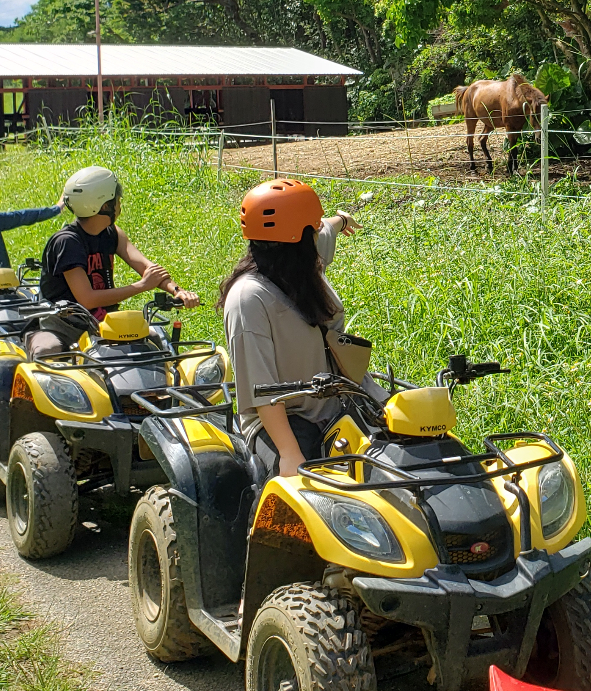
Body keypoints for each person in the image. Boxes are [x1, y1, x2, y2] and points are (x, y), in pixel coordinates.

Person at [218, 178, 360, 478]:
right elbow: (261, 391)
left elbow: (328, 228)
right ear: (297, 237)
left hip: (336, 406)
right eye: (313, 226)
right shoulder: (249, 300)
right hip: (286, 421)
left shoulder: (301, 267)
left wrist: (343, 219)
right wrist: (289, 453)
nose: (319, 229)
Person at [26, 166, 200, 358]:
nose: (119, 204)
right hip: (62, 327)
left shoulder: (113, 233)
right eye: (117, 200)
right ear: (105, 206)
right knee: (48, 351)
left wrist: (178, 291)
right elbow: (87, 299)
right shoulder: (67, 242)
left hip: (104, 324)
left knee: (155, 341)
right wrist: (141, 286)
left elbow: (147, 268)